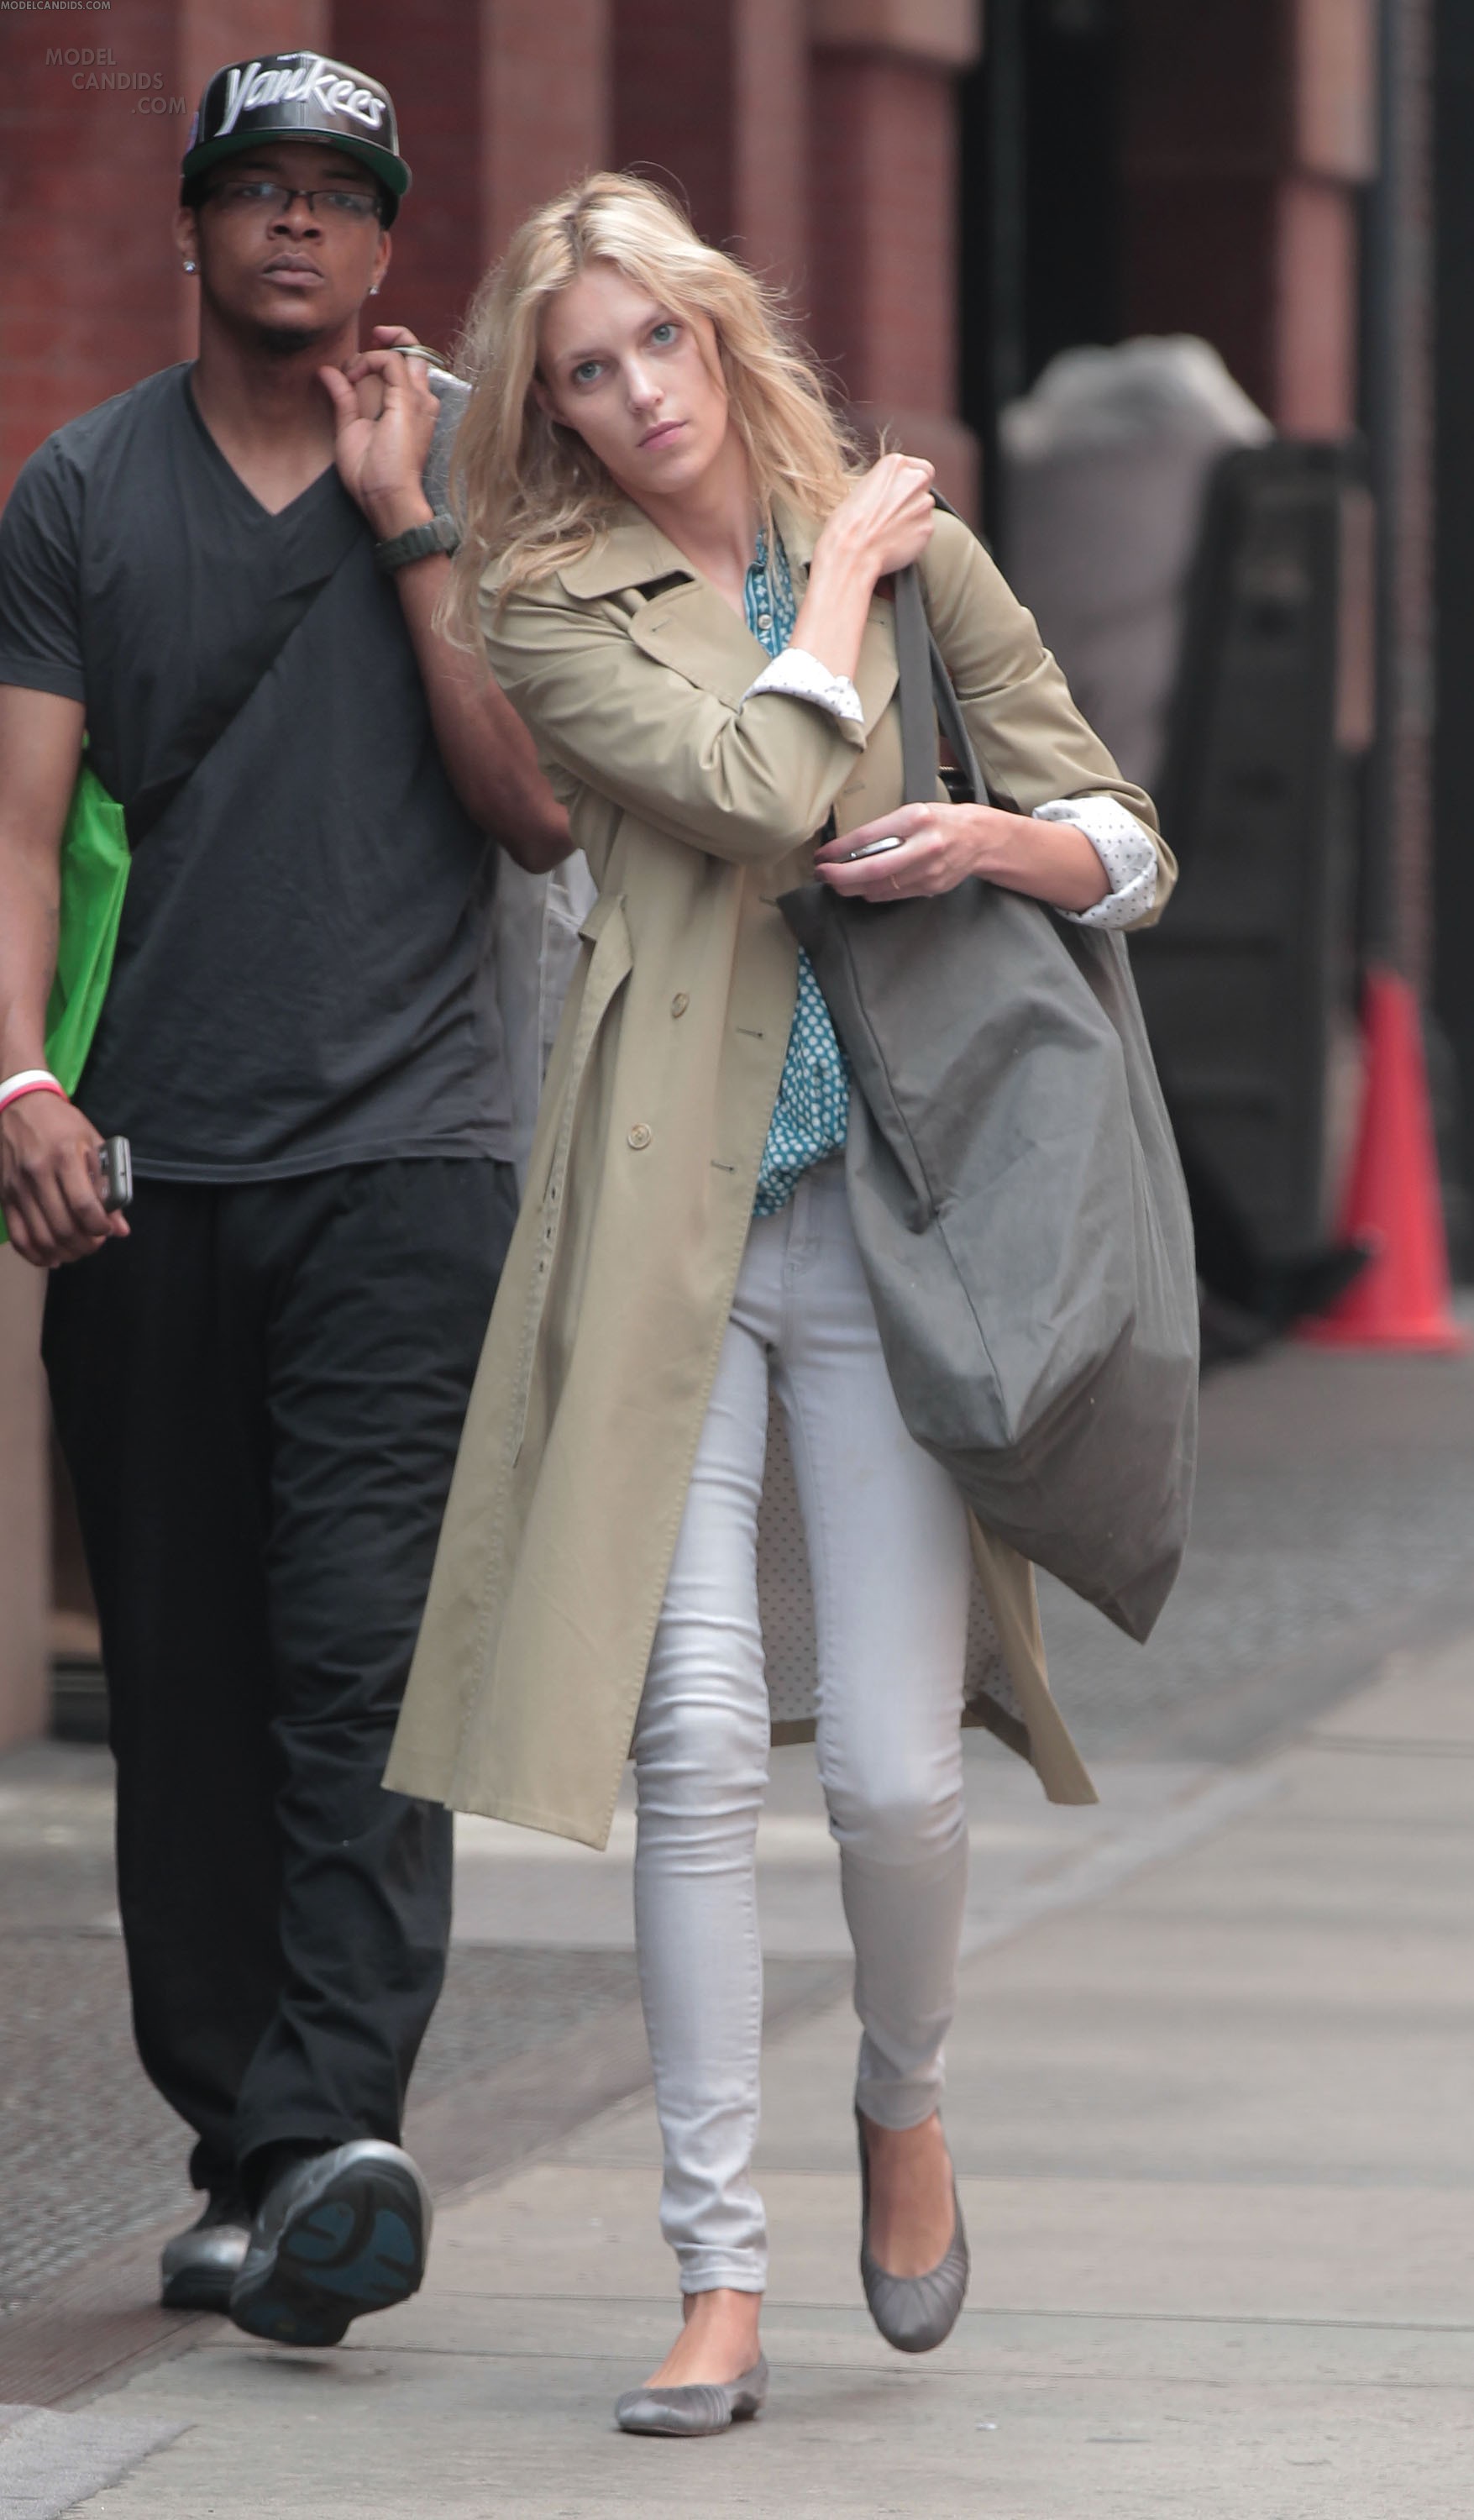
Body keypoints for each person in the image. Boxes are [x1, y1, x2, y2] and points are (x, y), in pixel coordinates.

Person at [385, 172, 1176, 2436]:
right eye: (586, 371)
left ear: (723, 330)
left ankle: (902, 2097)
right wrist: (830, 583)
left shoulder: (923, 553)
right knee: (698, 1741)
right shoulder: (547, 597)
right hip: (674, 1216)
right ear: (550, 411)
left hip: (901, 1218)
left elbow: (1125, 836)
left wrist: (991, 844)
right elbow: (752, 787)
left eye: (660, 340)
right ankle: (716, 2278)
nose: (637, 395)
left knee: (903, 1781)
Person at [0, 53, 569, 2346]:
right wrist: (21, 1076)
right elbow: (21, 825)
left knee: (359, 1666)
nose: (300, 224)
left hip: (408, 1167)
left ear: (390, 239)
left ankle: (336, 2129)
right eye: (260, 187)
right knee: (188, 1688)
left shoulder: (474, 470)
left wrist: (408, 517)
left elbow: (534, 806)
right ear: (196, 224)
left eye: (342, 192)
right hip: (146, 1177)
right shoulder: (80, 489)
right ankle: (252, 2154)